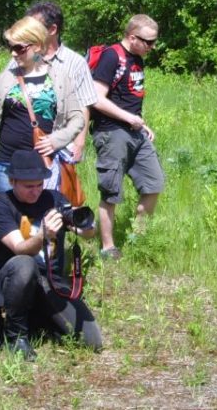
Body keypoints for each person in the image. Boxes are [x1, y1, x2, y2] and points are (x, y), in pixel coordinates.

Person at [0, 149, 103, 360]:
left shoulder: (54, 199)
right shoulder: (0, 204)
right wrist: (43, 235)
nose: (35, 192)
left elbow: (88, 233)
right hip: (13, 280)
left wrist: (83, 224)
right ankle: (16, 335)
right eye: (28, 186)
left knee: (92, 341)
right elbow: (20, 248)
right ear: (12, 181)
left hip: (49, 282)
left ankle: (41, 319)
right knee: (25, 264)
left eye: (39, 185)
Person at [0, 16, 84, 195]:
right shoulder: (4, 79)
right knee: (9, 221)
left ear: (38, 46)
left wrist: (57, 140)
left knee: (43, 222)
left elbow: (78, 118)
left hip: (43, 169)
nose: (13, 53)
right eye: (11, 47)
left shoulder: (60, 78)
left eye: (19, 48)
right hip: (7, 168)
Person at [90, 14, 165, 260]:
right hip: (111, 132)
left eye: (154, 42)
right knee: (111, 192)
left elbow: (129, 98)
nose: (152, 47)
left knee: (153, 183)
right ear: (132, 37)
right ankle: (108, 248)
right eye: (148, 42)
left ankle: (138, 239)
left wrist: (142, 124)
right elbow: (97, 98)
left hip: (135, 131)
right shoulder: (112, 56)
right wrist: (128, 118)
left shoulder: (137, 58)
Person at [25, 1, 98, 162]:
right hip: (22, 143)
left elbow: (83, 105)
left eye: (34, 27)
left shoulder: (75, 62)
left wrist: (79, 143)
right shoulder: (21, 58)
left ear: (52, 29)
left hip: (60, 146)